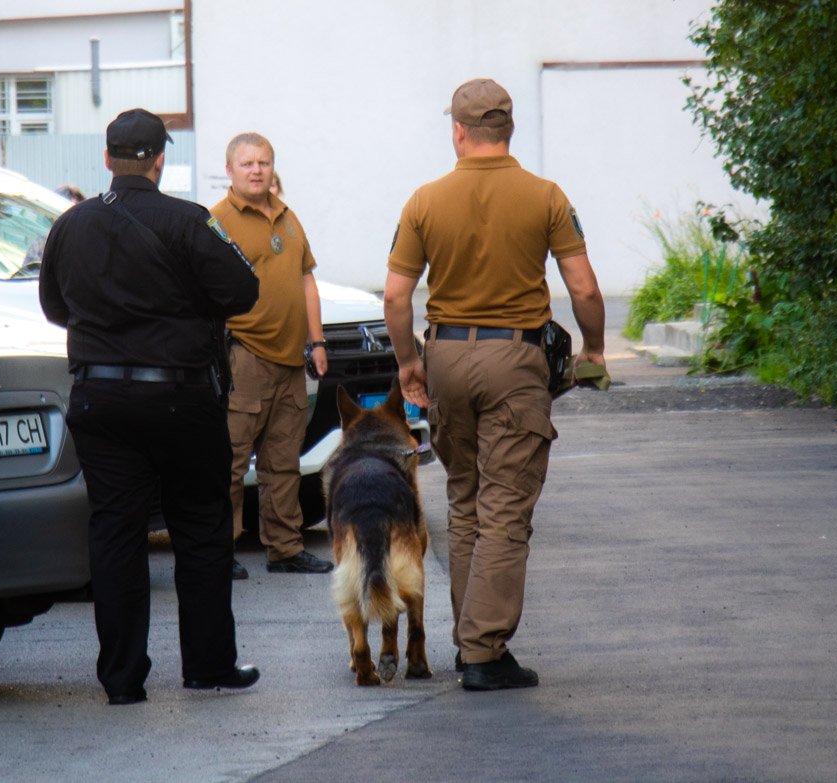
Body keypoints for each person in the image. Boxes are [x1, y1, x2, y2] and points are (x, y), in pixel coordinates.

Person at [383, 78, 605, 691]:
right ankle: (483, 653)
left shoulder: (424, 200)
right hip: (516, 359)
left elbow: (397, 295)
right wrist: (595, 350)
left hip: (446, 354)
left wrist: (408, 362)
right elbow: (584, 288)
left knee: (465, 501)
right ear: (508, 130)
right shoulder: (545, 196)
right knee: (506, 506)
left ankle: (469, 638)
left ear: (458, 131)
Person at [39, 108, 261, 705]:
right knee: (200, 527)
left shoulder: (72, 225)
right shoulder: (190, 221)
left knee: (114, 532)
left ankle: (121, 680)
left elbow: (56, 309)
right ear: (160, 158)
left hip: (101, 398)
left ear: (107, 159)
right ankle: (209, 665)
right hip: (181, 396)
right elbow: (243, 290)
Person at [211, 133, 334, 577]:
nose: (256, 170)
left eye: (263, 162)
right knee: (229, 460)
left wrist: (316, 342)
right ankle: (219, 551)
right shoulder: (217, 221)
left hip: (290, 362)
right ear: (229, 170)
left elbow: (306, 281)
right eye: (247, 164)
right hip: (244, 358)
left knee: (284, 463)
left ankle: (285, 548)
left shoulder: (288, 217)